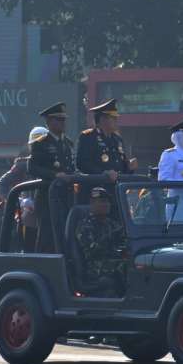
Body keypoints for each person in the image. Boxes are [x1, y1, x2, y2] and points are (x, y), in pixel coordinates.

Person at [28, 102, 77, 253]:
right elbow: (33, 167)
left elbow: (71, 166)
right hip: (47, 195)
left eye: (63, 120)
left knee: (67, 232)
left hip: (66, 195)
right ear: (49, 122)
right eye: (58, 120)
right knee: (47, 235)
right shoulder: (41, 144)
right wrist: (55, 175)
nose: (63, 123)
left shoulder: (68, 143)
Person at [76, 99, 137, 203]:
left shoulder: (117, 139)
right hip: (96, 192)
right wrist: (103, 173)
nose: (116, 121)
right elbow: (82, 163)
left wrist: (129, 167)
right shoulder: (88, 137)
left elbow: (120, 166)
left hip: (116, 191)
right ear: (102, 119)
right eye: (113, 118)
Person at [74, 187, 127, 297]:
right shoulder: (84, 226)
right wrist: (109, 236)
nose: (106, 204)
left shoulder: (111, 223)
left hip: (112, 262)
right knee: (127, 267)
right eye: (102, 202)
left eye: (107, 201)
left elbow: (124, 240)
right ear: (92, 204)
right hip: (95, 267)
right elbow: (92, 252)